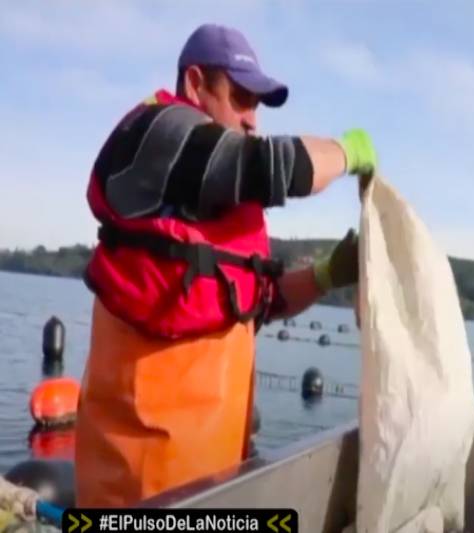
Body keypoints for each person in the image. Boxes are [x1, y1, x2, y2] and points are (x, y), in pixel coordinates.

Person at [73, 23, 377, 507]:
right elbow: (274, 166)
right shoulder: (156, 134)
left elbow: (260, 301)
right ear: (194, 83)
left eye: (256, 104)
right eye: (239, 97)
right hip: (137, 491)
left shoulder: (210, 200)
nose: (252, 119)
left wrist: (327, 275)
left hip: (214, 488)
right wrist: (348, 152)